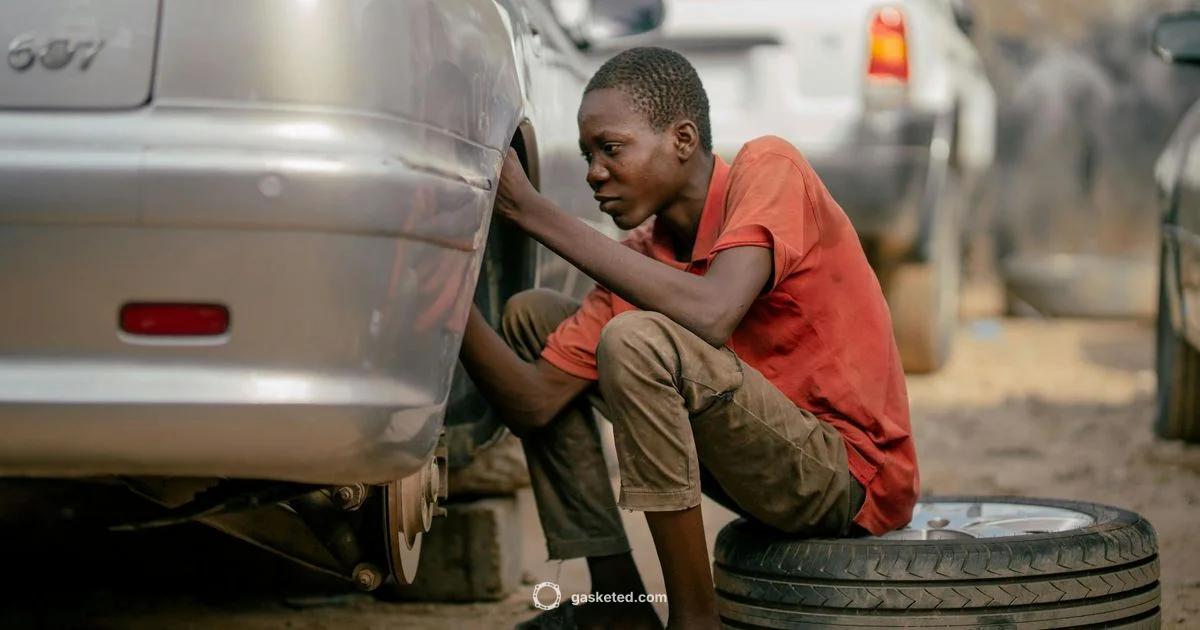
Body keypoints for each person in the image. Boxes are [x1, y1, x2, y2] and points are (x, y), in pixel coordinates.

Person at [457, 46, 920, 630]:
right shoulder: (643, 260)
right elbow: (534, 401)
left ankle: (694, 620)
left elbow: (714, 311)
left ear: (682, 139)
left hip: (846, 480)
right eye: (586, 154)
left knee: (635, 340)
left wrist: (532, 211)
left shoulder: (769, 169)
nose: (593, 170)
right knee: (533, 316)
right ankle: (616, 604)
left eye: (611, 147)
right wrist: (449, 300)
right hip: (754, 472)